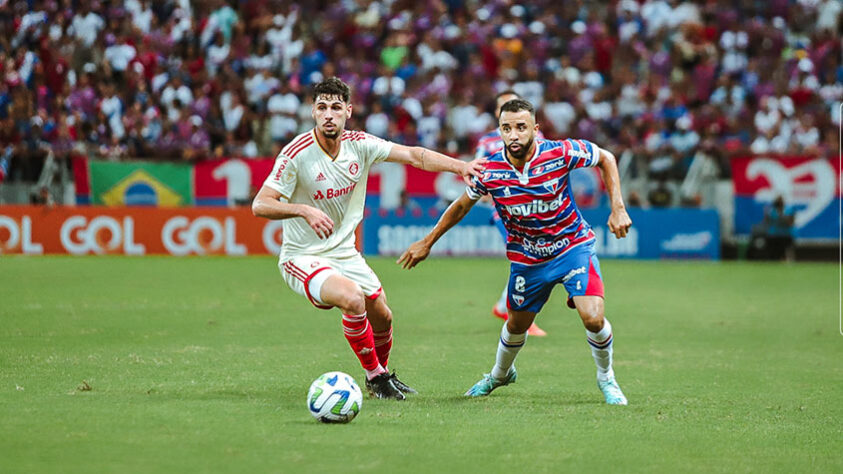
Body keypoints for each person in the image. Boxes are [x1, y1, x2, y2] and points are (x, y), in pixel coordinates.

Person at [252, 77, 484, 400]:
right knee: (352, 298)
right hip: (302, 256)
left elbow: (415, 155)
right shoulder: (296, 153)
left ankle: (380, 376)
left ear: (349, 110)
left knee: (383, 315)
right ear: (313, 112)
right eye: (322, 108)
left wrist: (462, 166)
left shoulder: (360, 145)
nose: (328, 115)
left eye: (335, 107)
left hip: (345, 253)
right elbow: (260, 204)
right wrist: (304, 210)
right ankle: (375, 375)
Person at [398, 99, 633, 405]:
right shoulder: (491, 170)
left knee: (593, 317)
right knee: (516, 325)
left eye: (521, 127)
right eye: (507, 128)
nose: (514, 135)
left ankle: (607, 379)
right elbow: (460, 207)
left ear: (535, 129)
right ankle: (499, 375)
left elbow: (607, 158)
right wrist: (427, 241)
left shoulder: (560, 152)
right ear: (500, 131)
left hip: (572, 248)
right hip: (527, 259)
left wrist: (617, 207)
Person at [475, 90, 547, 337]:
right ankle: (518, 313)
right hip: (503, 211)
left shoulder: (537, 137)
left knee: (533, 256)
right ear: (497, 113)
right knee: (527, 256)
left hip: (533, 210)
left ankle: (504, 307)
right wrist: (488, 191)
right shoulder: (486, 142)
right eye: (503, 106)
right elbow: (476, 171)